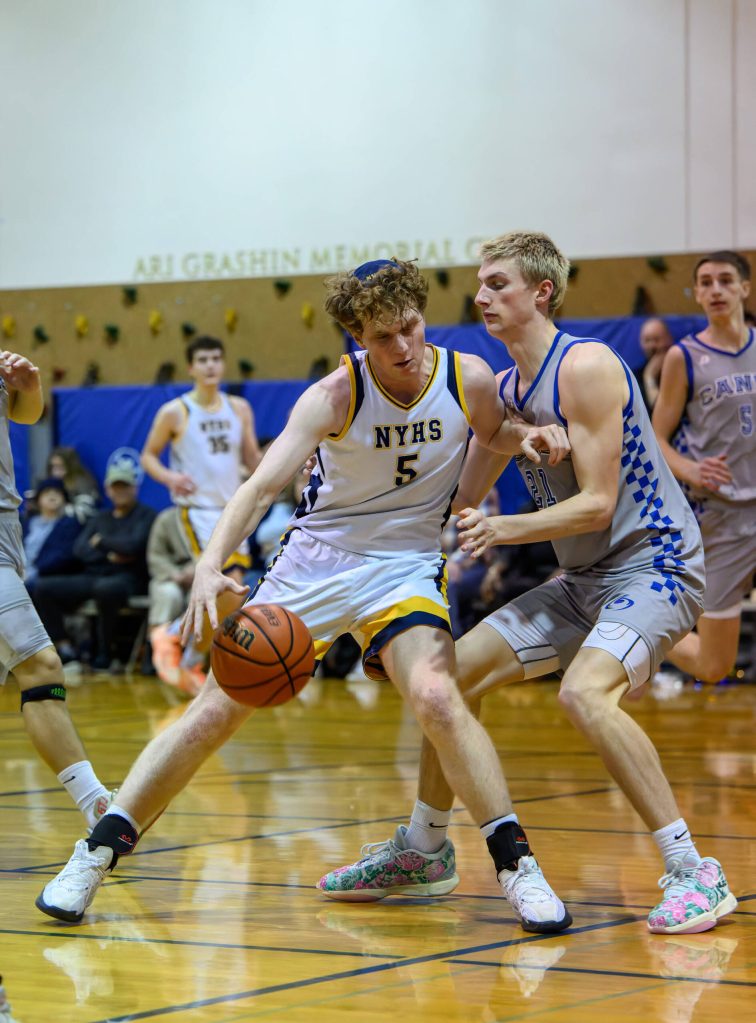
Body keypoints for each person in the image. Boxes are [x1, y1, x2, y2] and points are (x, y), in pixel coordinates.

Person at [36, 258, 573, 933]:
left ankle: (516, 866)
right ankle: (94, 853)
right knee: (212, 712)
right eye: (383, 337)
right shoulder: (332, 395)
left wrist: (531, 435)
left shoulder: (465, 375)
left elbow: (494, 432)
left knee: (438, 695)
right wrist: (209, 565)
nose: (403, 348)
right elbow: (259, 488)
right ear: (356, 336)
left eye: (410, 328)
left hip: (404, 562)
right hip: (315, 564)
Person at [317, 233, 736, 937]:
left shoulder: (588, 365)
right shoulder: (505, 391)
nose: (481, 296)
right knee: (445, 682)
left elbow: (598, 504)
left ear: (542, 291)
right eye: (480, 285)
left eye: (498, 283)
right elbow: (454, 496)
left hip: (655, 562)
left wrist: (501, 530)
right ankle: (424, 848)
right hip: (582, 580)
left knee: (583, 692)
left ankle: (694, 869)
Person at [0, 350, 112, 830]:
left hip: (8, 529)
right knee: (41, 666)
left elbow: (26, 415)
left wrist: (28, 386)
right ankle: (97, 807)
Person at [652, 251, 755, 684]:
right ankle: (641, 639)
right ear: (697, 294)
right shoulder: (684, 357)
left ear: (744, 289)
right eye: (706, 282)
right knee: (715, 666)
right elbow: (655, 440)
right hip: (723, 515)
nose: (715, 289)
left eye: (725, 280)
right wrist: (691, 470)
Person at [140, 335, 261, 691]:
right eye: (203, 359)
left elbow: (253, 460)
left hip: (233, 509)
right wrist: (170, 477)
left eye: (216, 358)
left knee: (233, 594)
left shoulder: (239, 408)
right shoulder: (176, 411)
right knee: (226, 582)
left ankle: (188, 650)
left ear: (223, 364)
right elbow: (148, 455)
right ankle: (178, 639)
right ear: (191, 367)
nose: (210, 365)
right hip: (197, 510)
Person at [32, 462, 156, 672]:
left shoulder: (146, 515)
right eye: (116, 487)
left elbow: (135, 545)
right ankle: (64, 646)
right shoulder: (100, 517)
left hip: (129, 578)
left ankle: (105, 653)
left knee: (107, 589)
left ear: (134, 488)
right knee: (42, 587)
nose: (120, 491)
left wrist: (101, 542)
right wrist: (111, 554)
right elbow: (80, 550)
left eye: (125, 486)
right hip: (93, 575)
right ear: (108, 490)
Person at [22, 477, 81, 591]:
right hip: (21, 573)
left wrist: (36, 571)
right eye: (47, 492)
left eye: (57, 492)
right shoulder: (28, 523)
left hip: (47, 577)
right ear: (38, 499)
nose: (52, 496)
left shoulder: (71, 524)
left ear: (65, 498)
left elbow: (66, 555)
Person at [45, 445, 100, 523]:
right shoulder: (50, 483)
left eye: (60, 467)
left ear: (70, 467)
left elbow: (86, 511)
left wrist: (60, 509)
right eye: (53, 467)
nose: (55, 471)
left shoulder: (82, 482)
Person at [636, 317, 674, 411]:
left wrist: (649, 377)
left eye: (657, 340)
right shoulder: (635, 376)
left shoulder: (680, 372)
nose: (652, 346)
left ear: (669, 339)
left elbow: (663, 413)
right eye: (647, 340)